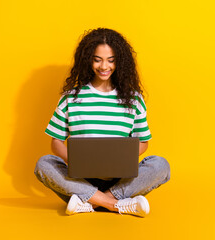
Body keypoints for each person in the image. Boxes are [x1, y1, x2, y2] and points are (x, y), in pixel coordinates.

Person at [34, 28, 170, 217]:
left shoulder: (134, 99)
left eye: (111, 60)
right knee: (44, 164)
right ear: (87, 60)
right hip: (80, 179)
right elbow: (56, 142)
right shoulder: (70, 98)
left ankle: (90, 202)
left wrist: (121, 159)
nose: (104, 66)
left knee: (160, 165)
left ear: (120, 62)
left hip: (121, 181)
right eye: (97, 59)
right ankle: (116, 205)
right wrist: (76, 161)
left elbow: (143, 142)